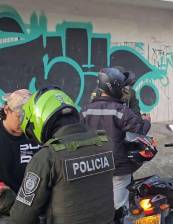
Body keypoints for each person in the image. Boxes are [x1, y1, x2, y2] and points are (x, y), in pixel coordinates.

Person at [10, 86, 115, 224]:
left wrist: (6, 198)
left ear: (39, 119)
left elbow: (21, 218)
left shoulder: (47, 157)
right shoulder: (104, 143)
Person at [81, 67, 150, 223]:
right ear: (115, 87)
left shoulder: (85, 111)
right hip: (118, 170)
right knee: (119, 210)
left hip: (92, 169)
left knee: (98, 207)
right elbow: (138, 133)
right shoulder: (122, 112)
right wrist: (147, 123)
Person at [0, 89, 40, 219]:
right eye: (19, 117)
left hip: (35, 206)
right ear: (7, 110)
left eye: (27, 117)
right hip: (6, 211)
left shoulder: (36, 134)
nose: (23, 122)